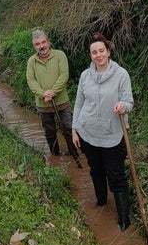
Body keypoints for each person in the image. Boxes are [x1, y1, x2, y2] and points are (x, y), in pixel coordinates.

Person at [72, 33, 134, 232]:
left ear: (108, 52)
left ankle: (124, 218)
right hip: (88, 132)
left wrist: (122, 106)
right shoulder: (85, 75)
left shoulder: (121, 74)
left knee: (116, 175)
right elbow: (79, 103)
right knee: (96, 170)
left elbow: (129, 101)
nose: (98, 55)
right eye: (94, 52)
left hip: (113, 134)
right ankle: (101, 201)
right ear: (90, 55)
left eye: (101, 51)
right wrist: (75, 129)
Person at [26, 29, 76, 156]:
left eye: (43, 42)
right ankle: (55, 157)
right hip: (43, 104)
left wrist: (53, 92)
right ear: (34, 46)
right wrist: (43, 94)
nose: (41, 46)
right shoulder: (32, 61)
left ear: (48, 42)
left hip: (62, 101)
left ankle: (74, 153)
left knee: (68, 129)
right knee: (49, 132)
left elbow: (64, 76)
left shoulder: (60, 55)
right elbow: (31, 81)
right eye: (37, 44)